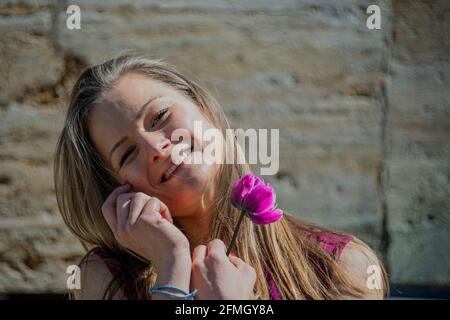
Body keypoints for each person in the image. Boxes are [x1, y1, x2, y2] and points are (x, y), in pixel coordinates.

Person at [54, 54, 388, 300]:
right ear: (119, 190)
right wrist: (171, 267)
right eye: (127, 154)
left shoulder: (340, 268)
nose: (156, 146)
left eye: (160, 116)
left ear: (205, 110)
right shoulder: (105, 281)